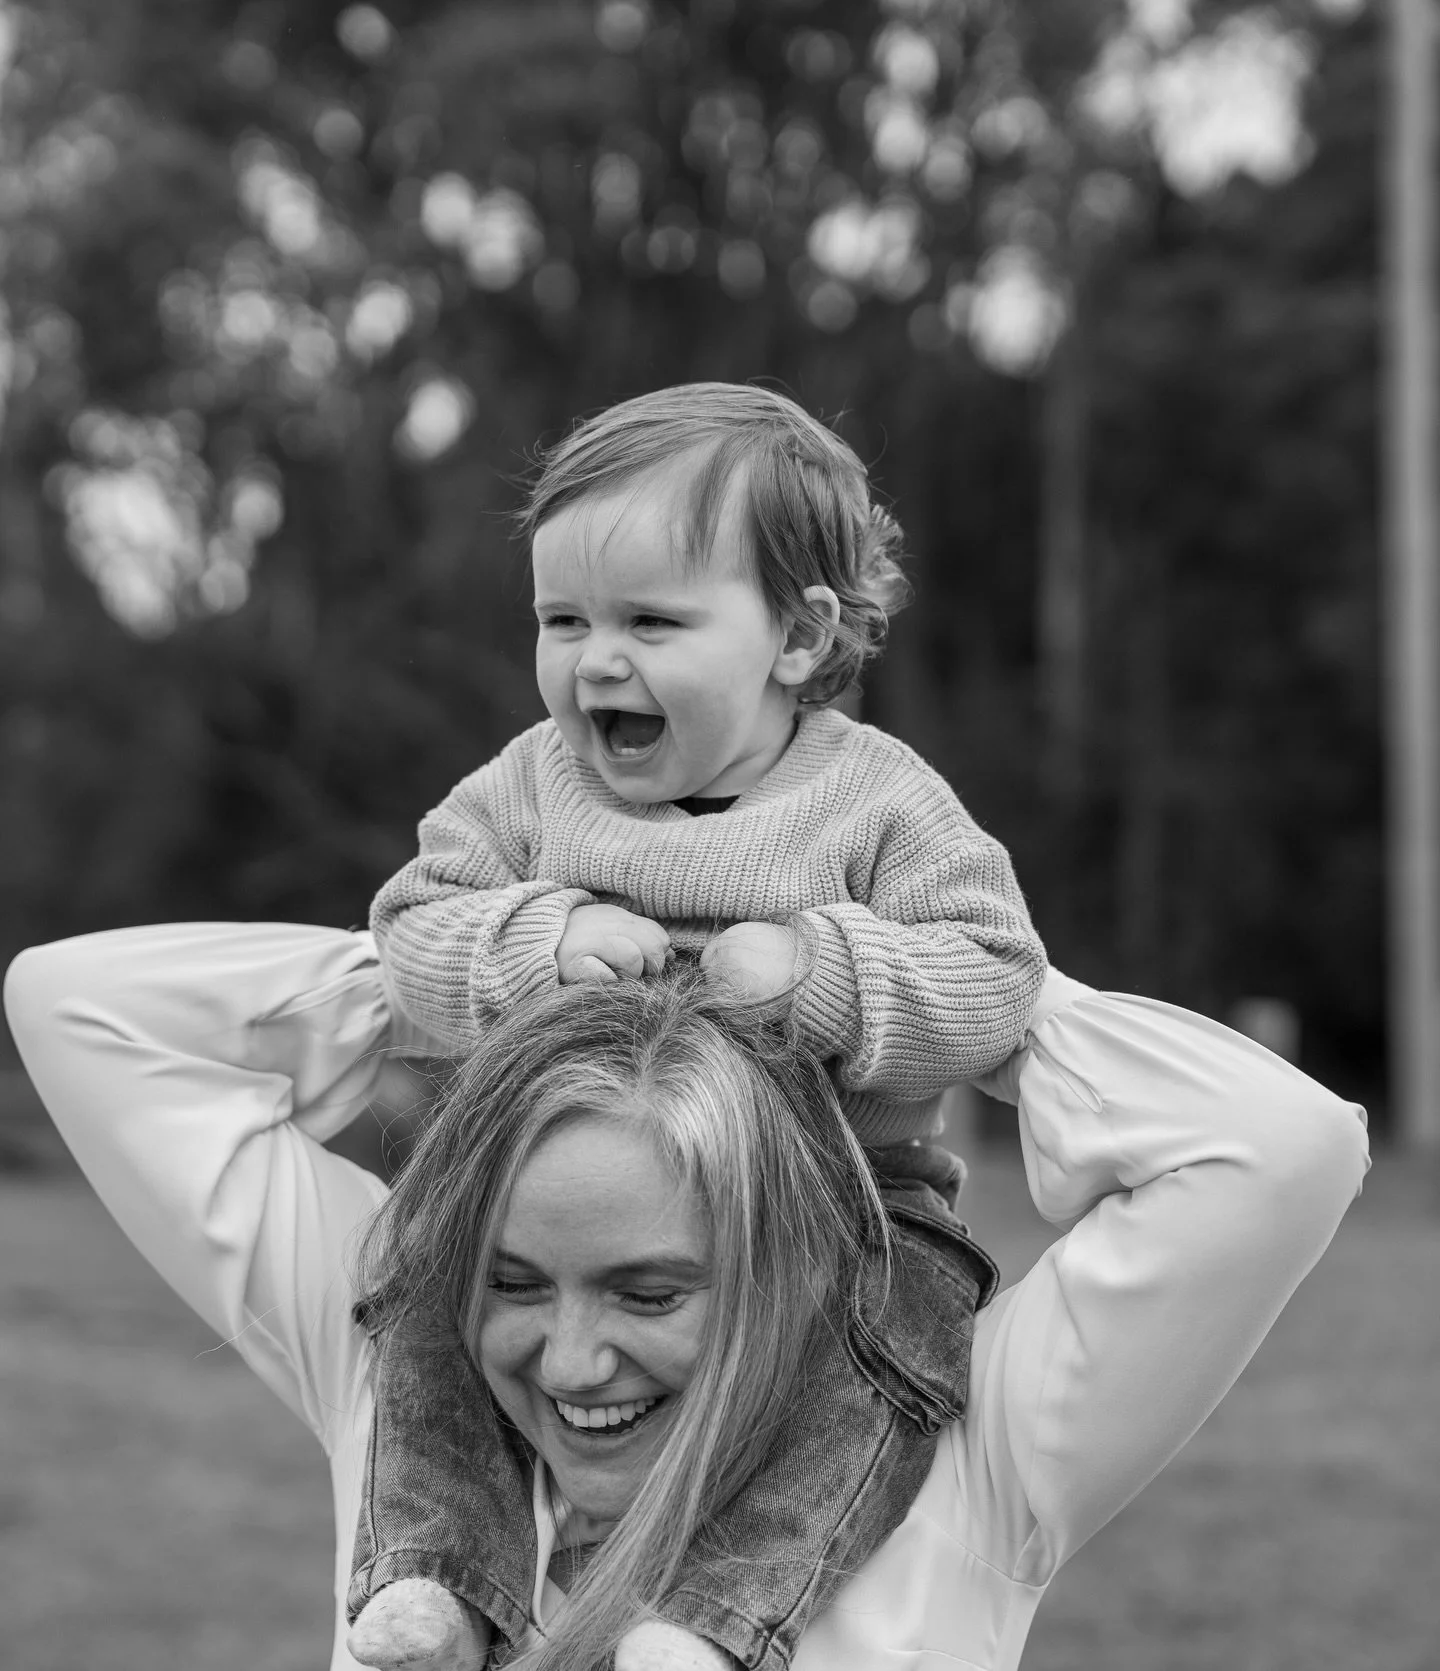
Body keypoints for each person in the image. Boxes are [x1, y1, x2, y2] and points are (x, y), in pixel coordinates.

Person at [4, 922, 1368, 1671]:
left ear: (791, 1265)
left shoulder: (960, 1443)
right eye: (513, 1280)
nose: (570, 1356)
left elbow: (1278, 1144)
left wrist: (919, 981)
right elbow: (77, 1004)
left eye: (651, 1287)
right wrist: (490, 948)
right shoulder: (409, 1382)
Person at [356, 383, 1048, 1667]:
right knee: (422, 1281)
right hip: (564, 1189)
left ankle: (714, 1623)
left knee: (894, 1344)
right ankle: (444, 1575)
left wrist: (817, 971)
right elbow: (413, 925)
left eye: (650, 621)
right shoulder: (529, 783)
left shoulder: (877, 801)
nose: (593, 661)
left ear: (797, 636)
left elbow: (996, 973)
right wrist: (538, 942)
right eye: (562, 619)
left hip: (853, 1196)